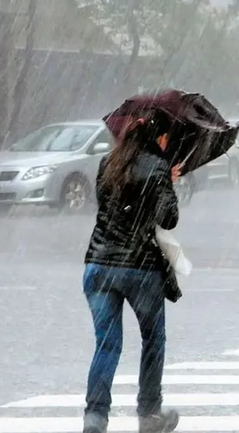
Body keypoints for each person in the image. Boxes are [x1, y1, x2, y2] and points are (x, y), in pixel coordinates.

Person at [82, 108, 181, 433]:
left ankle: (95, 418)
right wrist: (167, 182)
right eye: (166, 136)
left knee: (106, 344)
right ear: (158, 137)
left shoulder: (107, 164)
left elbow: (108, 204)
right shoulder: (158, 167)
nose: (168, 142)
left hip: (99, 266)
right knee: (153, 339)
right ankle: (149, 413)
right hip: (139, 269)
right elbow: (168, 219)